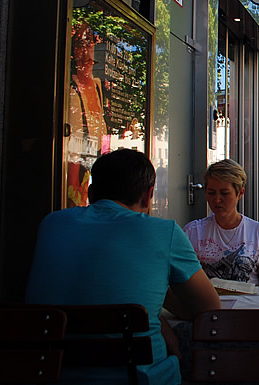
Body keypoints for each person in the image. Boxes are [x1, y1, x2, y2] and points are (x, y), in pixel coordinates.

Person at [26, 149, 220, 384]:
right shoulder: (163, 232)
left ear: (90, 192)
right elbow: (208, 307)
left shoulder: (52, 224)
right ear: (149, 196)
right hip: (138, 378)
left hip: (49, 374)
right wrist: (157, 310)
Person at [184, 159, 259, 286]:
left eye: (224, 193)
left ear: (240, 193)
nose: (217, 199)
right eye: (211, 193)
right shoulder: (192, 232)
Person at [66, 20, 109, 207]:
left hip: (96, 153)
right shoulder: (71, 86)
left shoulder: (98, 85)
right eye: (81, 46)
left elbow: (102, 124)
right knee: (75, 201)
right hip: (76, 154)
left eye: (89, 43)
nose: (86, 59)